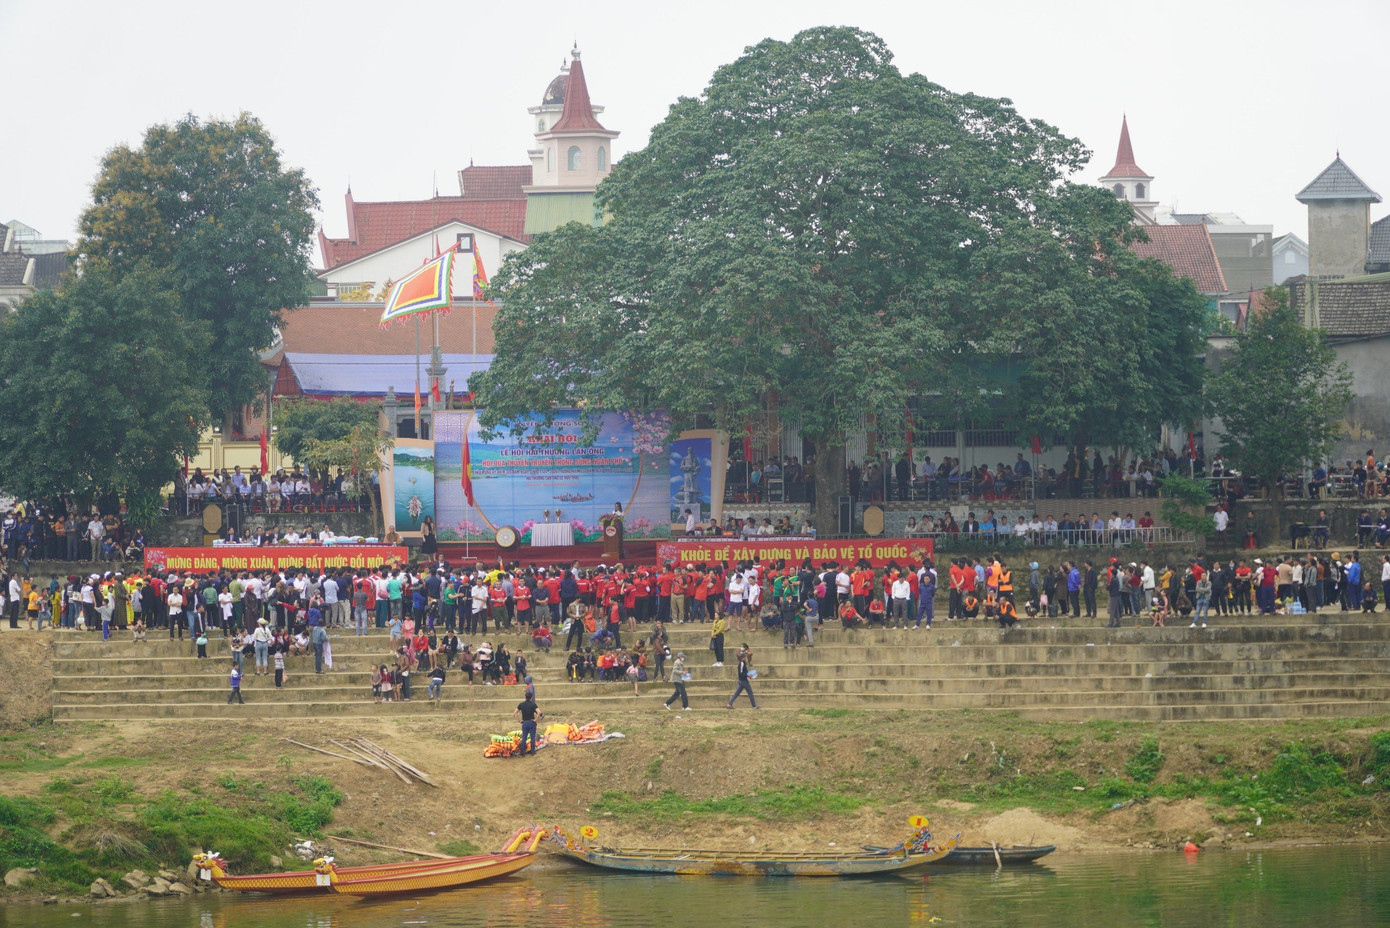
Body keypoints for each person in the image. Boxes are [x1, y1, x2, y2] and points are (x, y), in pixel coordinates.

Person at [726, 644, 758, 709]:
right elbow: (741, 673)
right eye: (745, 657)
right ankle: (754, 705)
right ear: (743, 658)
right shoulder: (741, 664)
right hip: (743, 681)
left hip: (742, 681)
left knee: (737, 693)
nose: (745, 658)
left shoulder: (742, 664)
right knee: (750, 693)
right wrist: (747, 675)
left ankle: (730, 703)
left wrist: (747, 675)